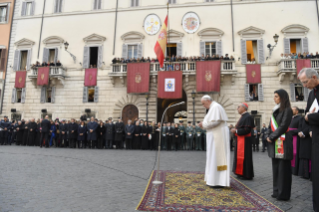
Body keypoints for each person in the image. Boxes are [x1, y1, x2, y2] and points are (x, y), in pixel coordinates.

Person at [266, 89, 293, 201]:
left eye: (276, 96)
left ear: (282, 97)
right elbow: (269, 126)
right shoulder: (275, 110)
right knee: (276, 168)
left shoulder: (287, 110)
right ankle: (276, 191)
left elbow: (283, 126)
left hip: (283, 142)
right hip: (275, 143)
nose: (274, 98)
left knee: (283, 170)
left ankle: (283, 193)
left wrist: (272, 137)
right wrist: (267, 135)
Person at [299, 68, 319, 211]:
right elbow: (307, 112)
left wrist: (308, 117)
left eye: (306, 82)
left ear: (314, 77)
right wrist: (307, 118)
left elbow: (309, 116)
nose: (304, 86)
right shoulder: (312, 94)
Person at [199, 95, 230, 187]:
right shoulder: (213, 107)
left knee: (216, 157)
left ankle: (217, 181)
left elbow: (215, 121)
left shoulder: (216, 107)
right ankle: (213, 179)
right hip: (215, 134)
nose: (203, 105)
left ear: (208, 101)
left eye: (203, 103)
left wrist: (203, 124)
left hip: (218, 135)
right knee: (212, 156)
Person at [231, 103, 255, 180]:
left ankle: (246, 174)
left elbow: (247, 130)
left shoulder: (248, 116)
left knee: (245, 157)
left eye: (239, 107)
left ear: (244, 108)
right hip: (240, 139)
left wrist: (236, 131)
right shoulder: (243, 116)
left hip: (245, 141)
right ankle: (240, 172)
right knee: (239, 157)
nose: (237, 108)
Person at [289, 106, 302, 175]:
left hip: (295, 138)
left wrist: (290, 132)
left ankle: (294, 170)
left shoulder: (300, 118)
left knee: (294, 153)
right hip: (288, 138)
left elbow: (300, 129)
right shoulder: (289, 118)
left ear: (297, 111)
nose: (291, 111)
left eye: (293, 110)